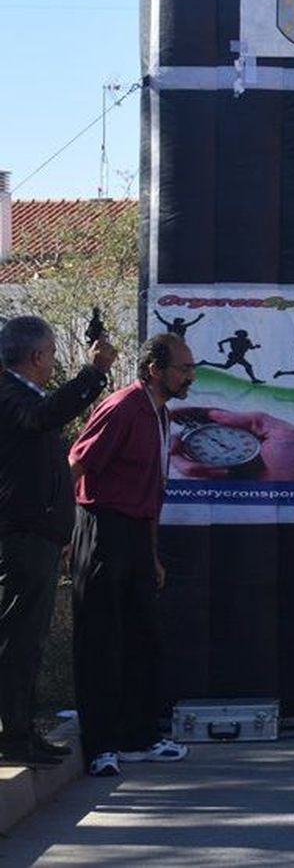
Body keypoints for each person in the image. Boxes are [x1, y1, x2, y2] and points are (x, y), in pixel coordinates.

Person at [69, 333, 194, 778]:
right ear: (154, 369)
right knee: (101, 640)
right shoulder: (123, 406)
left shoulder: (161, 415)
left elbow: (152, 493)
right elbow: (76, 465)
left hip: (139, 534)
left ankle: (139, 737)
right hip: (103, 527)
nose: (189, 377)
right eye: (183, 368)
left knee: (144, 637)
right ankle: (101, 747)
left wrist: (154, 555)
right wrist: (63, 532)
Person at [0, 316, 114, 768]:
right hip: (23, 534)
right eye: (50, 355)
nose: (53, 364)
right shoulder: (11, 395)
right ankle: (15, 734)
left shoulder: (24, 395)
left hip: (41, 533)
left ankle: (23, 729)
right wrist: (92, 375)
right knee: (19, 637)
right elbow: (43, 417)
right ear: (37, 356)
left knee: (30, 636)